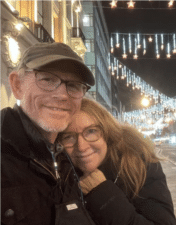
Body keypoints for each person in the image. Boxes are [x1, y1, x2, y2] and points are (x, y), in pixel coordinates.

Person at [1, 42, 96, 224]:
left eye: (74, 85)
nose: (62, 95)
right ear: (17, 85)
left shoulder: (68, 155)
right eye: (47, 79)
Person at [57, 98, 176, 225]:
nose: (81, 147)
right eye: (68, 137)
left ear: (107, 132)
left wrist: (102, 193)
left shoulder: (138, 164)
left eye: (91, 131)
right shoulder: (59, 174)